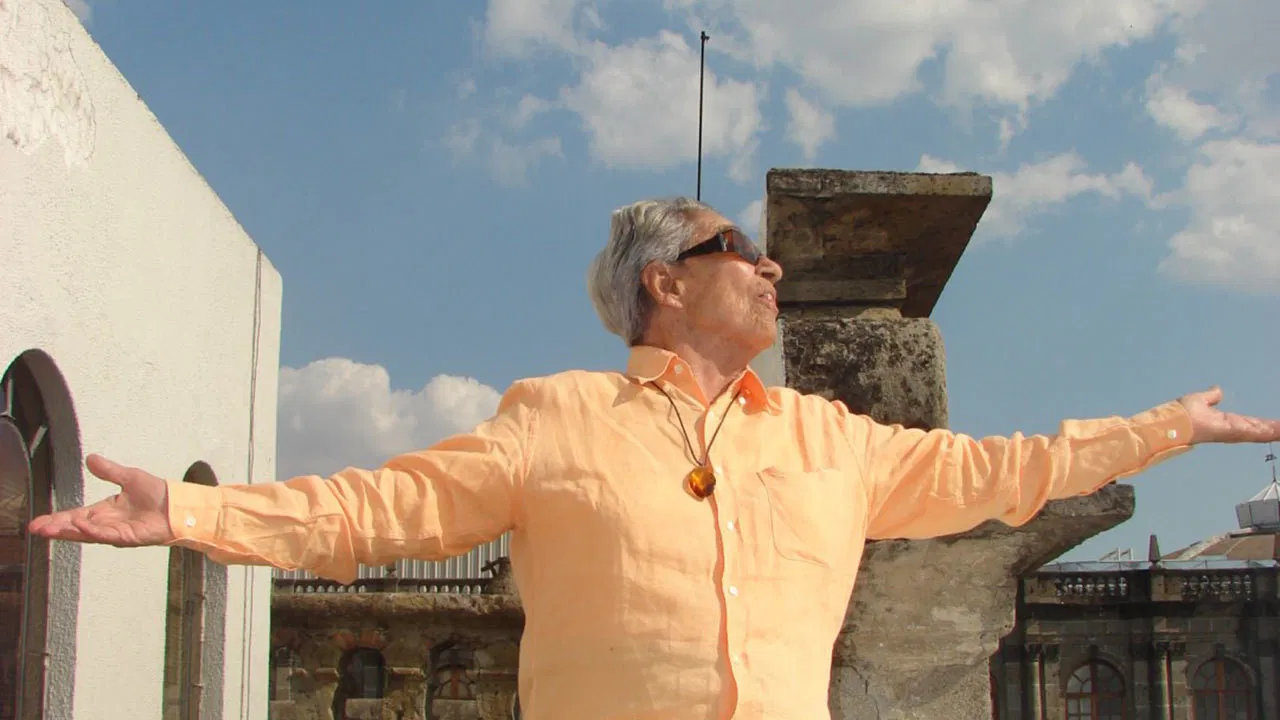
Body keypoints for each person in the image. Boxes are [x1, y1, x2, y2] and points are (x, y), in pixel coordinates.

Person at [29, 198, 1280, 719]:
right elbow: (380, 507)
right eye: (741, 248)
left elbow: (1004, 470)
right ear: (663, 284)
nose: (771, 265)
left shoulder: (829, 439)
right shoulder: (556, 418)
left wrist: (1165, 427)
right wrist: (192, 515)